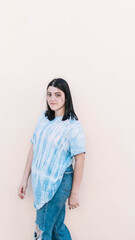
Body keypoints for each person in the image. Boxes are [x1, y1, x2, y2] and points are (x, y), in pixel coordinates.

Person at [18, 78, 86, 240]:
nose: (52, 99)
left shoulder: (72, 125)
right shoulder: (43, 118)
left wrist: (74, 193)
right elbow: (34, 148)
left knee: (42, 230)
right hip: (41, 182)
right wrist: (24, 179)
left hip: (58, 183)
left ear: (66, 98)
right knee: (56, 228)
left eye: (57, 94)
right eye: (49, 94)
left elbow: (80, 158)